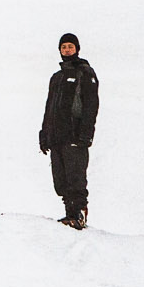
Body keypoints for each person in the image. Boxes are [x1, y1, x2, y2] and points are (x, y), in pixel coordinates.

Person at [39, 33, 99, 229]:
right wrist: (44, 134)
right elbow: (49, 107)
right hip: (56, 136)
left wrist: (86, 134)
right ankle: (69, 213)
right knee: (61, 180)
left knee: (76, 178)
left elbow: (91, 106)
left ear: (77, 49)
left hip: (75, 136)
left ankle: (79, 214)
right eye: (63, 47)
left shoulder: (85, 73)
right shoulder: (56, 78)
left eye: (70, 46)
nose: (66, 50)